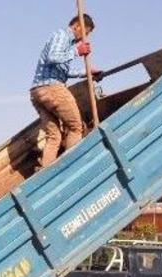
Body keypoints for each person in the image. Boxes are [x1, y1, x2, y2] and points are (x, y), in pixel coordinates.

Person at [30, 14, 102, 168]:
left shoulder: (66, 44)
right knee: (76, 127)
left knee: (54, 136)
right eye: (86, 32)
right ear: (77, 26)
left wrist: (87, 72)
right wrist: (77, 52)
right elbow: (52, 57)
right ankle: (68, 168)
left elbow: (64, 71)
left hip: (38, 92)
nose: (85, 37)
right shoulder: (62, 35)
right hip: (52, 89)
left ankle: (46, 173)